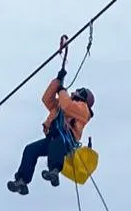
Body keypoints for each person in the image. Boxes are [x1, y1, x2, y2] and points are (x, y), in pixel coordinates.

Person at [6, 67, 95, 195]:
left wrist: (62, 91)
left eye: (78, 91)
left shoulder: (83, 109)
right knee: (30, 150)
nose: (74, 92)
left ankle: (54, 171)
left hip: (65, 140)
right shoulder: (63, 104)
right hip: (53, 137)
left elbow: (67, 106)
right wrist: (57, 82)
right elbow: (47, 99)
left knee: (57, 141)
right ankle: (22, 181)